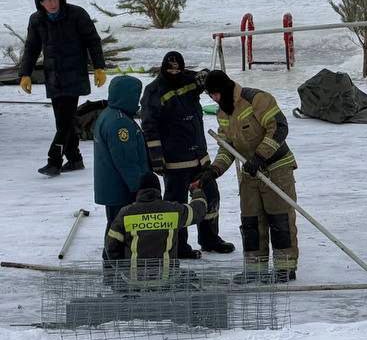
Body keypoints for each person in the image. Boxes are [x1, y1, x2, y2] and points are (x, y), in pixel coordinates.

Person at [200, 70, 299, 282]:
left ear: (226, 88)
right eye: (210, 95)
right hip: (250, 172)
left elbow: (279, 128)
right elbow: (228, 148)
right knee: (251, 221)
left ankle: (285, 268)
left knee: (279, 219)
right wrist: (214, 170)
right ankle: (255, 269)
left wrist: (260, 157)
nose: (214, 98)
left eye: (216, 93)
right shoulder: (222, 113)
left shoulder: (257, 99)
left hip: (276, 168)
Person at [141, 51, 235, 256]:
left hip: (199, 157)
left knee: (211, 197)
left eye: (178, 70)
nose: (175, 73)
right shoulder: (153, 91)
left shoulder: (189, 80)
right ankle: (178, 246)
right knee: (176, 205)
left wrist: (205, 75)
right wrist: (156, 157)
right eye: (171, 70)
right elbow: (149, 127)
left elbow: (206, 78)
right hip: (174, 162)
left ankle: (210, 239)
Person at [18, 0, 107, 177]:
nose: (51, 4)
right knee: (62, 121)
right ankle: (74, 159)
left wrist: (99, 67)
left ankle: (54, 161)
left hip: (74, 74)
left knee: (66, 120)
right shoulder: (37, 20)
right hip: (53, 76)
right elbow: (31, 48)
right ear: (40, 3)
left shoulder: (77, 14)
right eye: (46, 1)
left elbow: (93, 41)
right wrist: (25, 74)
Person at [104, 173, 208, 286]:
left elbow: (111, 246)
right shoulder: (172, 210)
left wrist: (124, 268)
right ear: (158, 190)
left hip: (134, 281)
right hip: (167, 279)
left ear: (139, 191)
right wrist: (196, 191)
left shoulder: (126, 213)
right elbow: (198, 211)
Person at [93, 75, 151, 252]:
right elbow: (126, 160)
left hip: (112, 186)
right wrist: (139, 187)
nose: (138, 100)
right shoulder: (120, 123)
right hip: (121, 189)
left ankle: (112, 259)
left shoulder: (110, 115)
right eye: (136, 95)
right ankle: (113, 261)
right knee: (119, 227)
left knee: (115, 225)